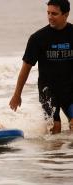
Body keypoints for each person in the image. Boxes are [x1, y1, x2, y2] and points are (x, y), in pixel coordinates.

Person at [9, 0, 73, 134]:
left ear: (66, 14)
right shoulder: (38, 38)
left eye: (54, 14)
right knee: (55, 127)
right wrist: (17, 94)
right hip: (48, 89)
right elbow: (26, 68)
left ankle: (67, 153)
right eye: (48, 13)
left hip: (70, 89)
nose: (50, 17)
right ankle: (51, 153)